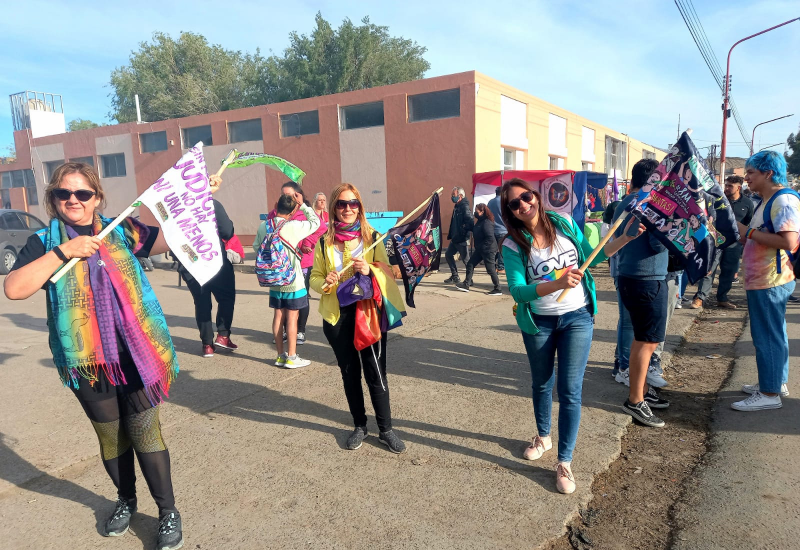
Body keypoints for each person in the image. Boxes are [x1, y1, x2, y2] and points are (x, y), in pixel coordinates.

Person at [3, 162, 184, 549]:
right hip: (85, 359)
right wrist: (64, 251)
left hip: (137, 352)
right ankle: (126, 500)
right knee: (111, 438)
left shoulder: (119, 229)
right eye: (63, 194)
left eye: (82, 193)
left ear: (97, 198)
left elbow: (168, 240)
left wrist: (196, 203)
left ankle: (167, 511)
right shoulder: (42, 241)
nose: (73, 200)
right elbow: (15, 288)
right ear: (53, 199)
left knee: (145, 433)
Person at [501, 177, 644, 494]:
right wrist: (557, 283)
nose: (524, 205)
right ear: (510, 211)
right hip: (540, 321)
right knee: (541, 382)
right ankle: (543, 435)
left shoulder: (563, 223)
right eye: (515, 203)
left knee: (570, 390)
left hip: (578, 317)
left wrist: (624, 238)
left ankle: (564, 462)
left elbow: (595, 255)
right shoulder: (513, 244)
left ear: (536, 196)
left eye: (526, 197)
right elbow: (518, 291)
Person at [310, 183, 408, 454]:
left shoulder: (372, 237)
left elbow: (390, 274)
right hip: (337, 316)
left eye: (353, 203)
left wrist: (371, 270)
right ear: (334, 207)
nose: (348, 209)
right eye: (342, 204)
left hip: (368, 314)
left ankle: (386, 429)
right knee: (349, 372)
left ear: (360, 207)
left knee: (375, 371)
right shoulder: (324, 241)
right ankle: (359, 426)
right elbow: (314, 278)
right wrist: (325, 282)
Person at [731, 151, 799, 411]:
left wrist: (746, 231)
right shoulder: (767, 199)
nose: (746, 178)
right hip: (765, 278)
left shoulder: (783, 201)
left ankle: (770, 394)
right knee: (775, 333)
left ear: (768, 173)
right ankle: (775, 382)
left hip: (771, 279)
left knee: (766, 336)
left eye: (751, 173)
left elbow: (788, 242)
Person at [612, 159, 672, 429]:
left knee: (641, 337)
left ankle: (642, 391)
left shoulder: (627, 202)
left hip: (632, 275)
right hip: (647, 278)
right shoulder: (648, 204)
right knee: (647, 341)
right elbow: (658, 245)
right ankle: (636, 400)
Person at [256, 191, 320, 368]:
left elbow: (256, 246)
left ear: (276, 206)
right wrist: (304, 205)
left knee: (278, 316)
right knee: (292, 318)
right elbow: (317, 222)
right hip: (293, 281)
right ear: (292, 211)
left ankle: (280, 356)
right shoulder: (294, 226)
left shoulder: (264, 226)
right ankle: (292, 357)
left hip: (274, 280)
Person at [178, 174, 237, 358]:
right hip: (213, 261)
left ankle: (207, 345)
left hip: (189, 263)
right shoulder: (211, 205)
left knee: (202, 303)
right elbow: (227, 231)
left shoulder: (178, 209)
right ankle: (223, 335)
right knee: (226, 297)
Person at [263, 182, 327, 346]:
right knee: (280, 307)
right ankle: (285, 334)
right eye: (283, 195)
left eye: (290, 195)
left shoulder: (305, 213)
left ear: (298, 196)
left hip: (301, 263)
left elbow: (319, 229)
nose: (286, 198)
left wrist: (308, 242)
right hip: (277, 268)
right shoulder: (275, 214)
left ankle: (300, 331)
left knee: (300, 300)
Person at [713, 176, 754, 308]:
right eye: (726, 185)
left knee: (729, 271)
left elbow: (748, 221)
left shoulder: (747, 203)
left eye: (730, 186)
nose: (727, 188)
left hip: (734, 243)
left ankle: (722, 298)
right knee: (709, 269)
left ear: (739, 188)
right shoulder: (719, 200)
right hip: (715, 240)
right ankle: (700, 297)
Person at [455, 203, 502, 295]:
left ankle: (498, 288)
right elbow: (477, 230)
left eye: (477, 211)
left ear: (482, 212)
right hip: (481, 249)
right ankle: (466, 284)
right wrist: (468, 227)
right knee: (470, 264)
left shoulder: (487, 223)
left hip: (488, 250)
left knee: (490, 269)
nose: (475, 213)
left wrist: (482, 247)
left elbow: (490, 238)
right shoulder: (480, 221)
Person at [443, 187, 473, 284]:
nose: (452, 197)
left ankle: (469, 280)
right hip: (455, 237)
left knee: (466, 260)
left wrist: (463, 232)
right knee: (448, 255)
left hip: (462, 238)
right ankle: (455, 276)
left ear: (460, 196)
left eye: (454, 195)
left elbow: (470, 221)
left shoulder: (464, 206)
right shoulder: (457, 206)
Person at [486, 186, 507, 273]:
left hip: (492, 229)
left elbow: (487, 215)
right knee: (502, 249)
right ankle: (501, 267)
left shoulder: (490, 202)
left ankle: (492, 266)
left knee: (492, 250)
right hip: (503, 230)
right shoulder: (504, 203)